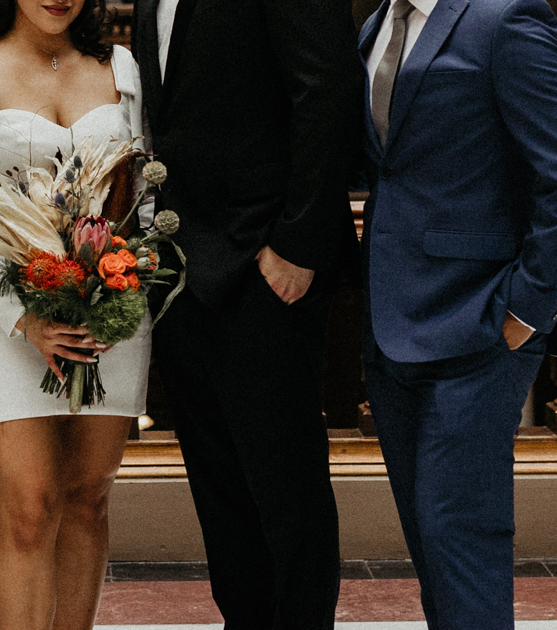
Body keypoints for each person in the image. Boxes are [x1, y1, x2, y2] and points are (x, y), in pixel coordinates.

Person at [131, 0, 363, 627]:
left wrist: (298, 246)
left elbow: (329, 90)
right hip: (183, 275)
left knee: (287, 497)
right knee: (222, 497)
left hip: (268, 269)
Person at [0, 0, 151, 626]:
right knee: (30, 507)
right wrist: (27, 319)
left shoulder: (124, 69)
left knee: (88, 498)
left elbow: (145, 197)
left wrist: (123, 284)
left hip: (111, 311)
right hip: (6, 317)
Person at [359, 0, 557, 627]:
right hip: (391, 324)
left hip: (479, 321)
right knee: (430, 542)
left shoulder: (506, 18)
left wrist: (527, 308)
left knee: (461, 538)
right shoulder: (375, 24)